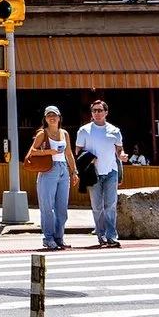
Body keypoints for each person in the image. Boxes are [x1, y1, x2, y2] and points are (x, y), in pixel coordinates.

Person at [76, 97, 126, 249]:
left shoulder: (114, 131)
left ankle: (111, 236)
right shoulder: (84, 130)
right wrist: (88, 158)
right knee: (97, 206)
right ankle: (101, 234)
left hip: (111, 171)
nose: (97, 113)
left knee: (110, 205)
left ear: (106, 112)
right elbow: (78, 151)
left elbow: (119, 149)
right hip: (93, 172)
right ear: (91, 113)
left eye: (100, 110)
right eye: (94, 111)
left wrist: (122, 155)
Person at [29, 106, 73, 251]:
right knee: (47, 206)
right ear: (45, 119)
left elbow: (69, 153)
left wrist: (74, 171)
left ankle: (59, 237)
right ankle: (48, 238)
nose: (52, 118)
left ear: (59, 118)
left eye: (54, 115)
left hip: (63, 169)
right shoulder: (43, 133)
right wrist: (49, 152)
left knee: (62, 207)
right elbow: (32, 152)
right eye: (49, 115)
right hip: (49, 169)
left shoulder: (64, 133)